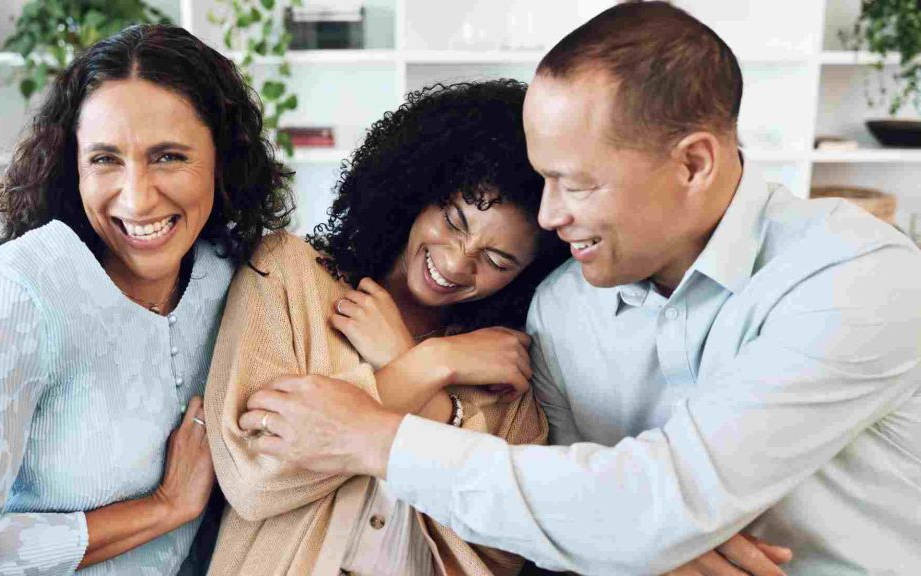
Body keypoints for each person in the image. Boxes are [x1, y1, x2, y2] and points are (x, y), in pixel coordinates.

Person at [230, 3, 921, 575]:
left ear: (694, 165)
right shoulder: (562, 307)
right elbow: (567, 511)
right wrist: (640, 542)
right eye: (545, 179)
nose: (552, 217)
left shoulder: (854, 276)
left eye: (578, 183)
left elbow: (647, 504)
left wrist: (372, 433)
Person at [0, 24, 291, 575]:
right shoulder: (13, 294)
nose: (136, 197)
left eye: (169, 157)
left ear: (223, 158)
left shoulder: (238, 275)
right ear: (73, 165)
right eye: (105, 159)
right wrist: (165, 508)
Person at [202, 79, 566, 576]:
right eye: (454, 221)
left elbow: (504, 550)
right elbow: (254, 478)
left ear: (528, 276)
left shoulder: (503, 363)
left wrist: (408, 365)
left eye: (498, 259)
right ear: (419, 190)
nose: (458, 264)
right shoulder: (289, 274)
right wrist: (429, 365)